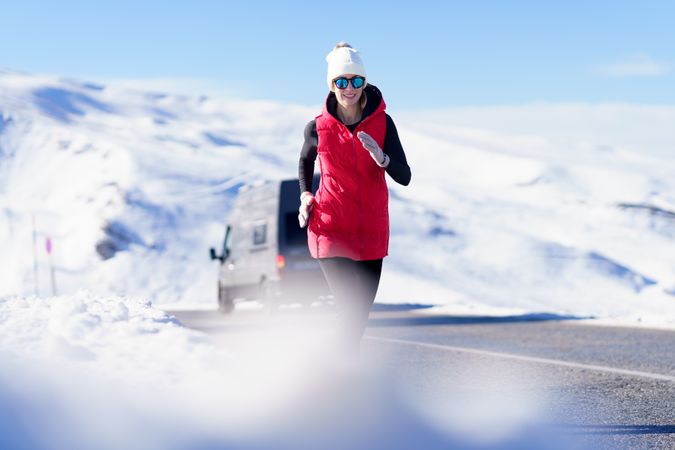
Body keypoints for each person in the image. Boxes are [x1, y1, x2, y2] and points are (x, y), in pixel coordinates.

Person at [298, 42, 411, 359]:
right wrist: (306, 193)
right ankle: (337, 378)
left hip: (371, 233)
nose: (349, 88)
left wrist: (383, 158)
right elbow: (305, 162)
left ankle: (343, 377)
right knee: (348, 310)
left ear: (365, 83)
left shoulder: (383, 123)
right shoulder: (316, 128)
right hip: (329, 229)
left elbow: (405, 175)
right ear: (332, 85)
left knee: (358, 316)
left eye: (356, 80)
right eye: (341, 81)